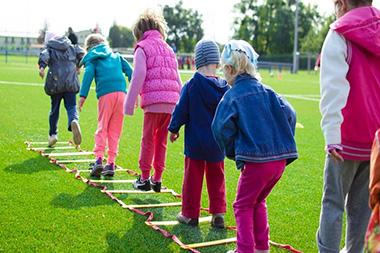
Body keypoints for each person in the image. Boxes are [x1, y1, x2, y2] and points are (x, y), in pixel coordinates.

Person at [212, 40, 298, 253]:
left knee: (242, 205)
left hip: (256, 162)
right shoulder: (269, 91)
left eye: (224, 70)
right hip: (279, 162)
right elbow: (291, 114)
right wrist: (283, 142)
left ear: (231, 69)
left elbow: (219, 128)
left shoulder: (232, 95)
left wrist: (233, 152)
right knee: (258, 200)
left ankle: (245, 250)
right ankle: (262, 247)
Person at [316, 1, 380, 252]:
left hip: (344, 140)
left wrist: (332, 135)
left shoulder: (339, 33)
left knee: (333, 204)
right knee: (362, 207)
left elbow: (333, 89)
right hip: (375, 142)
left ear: (341, 4)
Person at [168, 39, 229, 228]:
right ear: (217, 63)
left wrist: (174, 128)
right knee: (217, 177)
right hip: (217, 143)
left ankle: (189, 214)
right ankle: (218, 214)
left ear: (196, 61)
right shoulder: (225, 88)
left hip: (195, 142)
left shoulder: (192, 84)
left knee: (192, 178)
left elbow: (181, 109)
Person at [124, 9, 182, 192]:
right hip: (171, 104)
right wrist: (180, 108)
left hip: (153, 103)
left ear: (139, 33)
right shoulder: (169, 49)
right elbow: (177, 78)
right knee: (161, 141)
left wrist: (129, 103)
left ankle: (143, 178)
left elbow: (139, 74)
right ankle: (157, 179)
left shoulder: (142, 48)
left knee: (147, 140)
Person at [79, 34, 132, 177]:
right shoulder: (116, 56)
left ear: (89, 48)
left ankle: (98, 160)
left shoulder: (93, 58)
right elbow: (131, 72)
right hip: (122, 94)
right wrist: (136, 92)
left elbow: (88, 75)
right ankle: (111, 164)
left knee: (102, 127)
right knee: (115, 130)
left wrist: (83, 96)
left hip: (106, 95)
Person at [38, 31, 84, 147]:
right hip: (70, 83)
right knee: (71, 106)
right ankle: (74, 121)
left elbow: (44, 55)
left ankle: (53, 135)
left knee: (54, 110)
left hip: (55, 84)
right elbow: (82, 53)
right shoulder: (71, 47)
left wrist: (42, 68)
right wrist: (78, 65)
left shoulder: (50, 48)